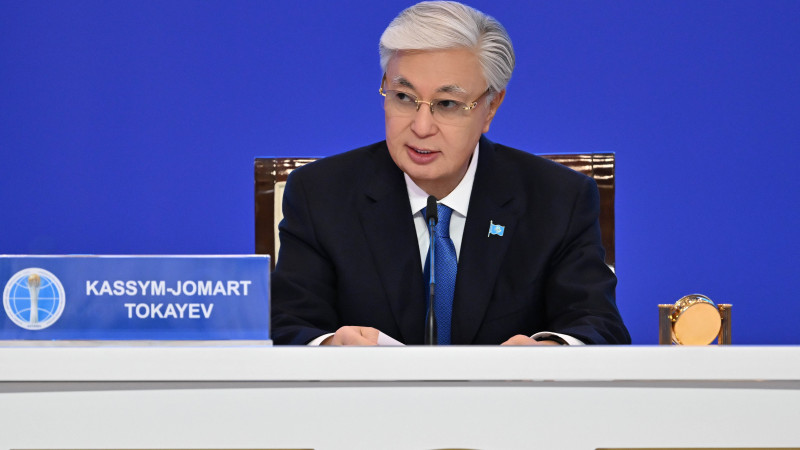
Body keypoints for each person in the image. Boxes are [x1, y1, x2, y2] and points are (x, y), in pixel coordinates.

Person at [270, 1, 630, 346]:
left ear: (491, 106)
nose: (421, 127)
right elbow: (286, 324)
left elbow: (599, 325)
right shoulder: (321, 194)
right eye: (403, 97)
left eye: (446, 104)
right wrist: (329, 345)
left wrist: (549, 349)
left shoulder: (557, 200)